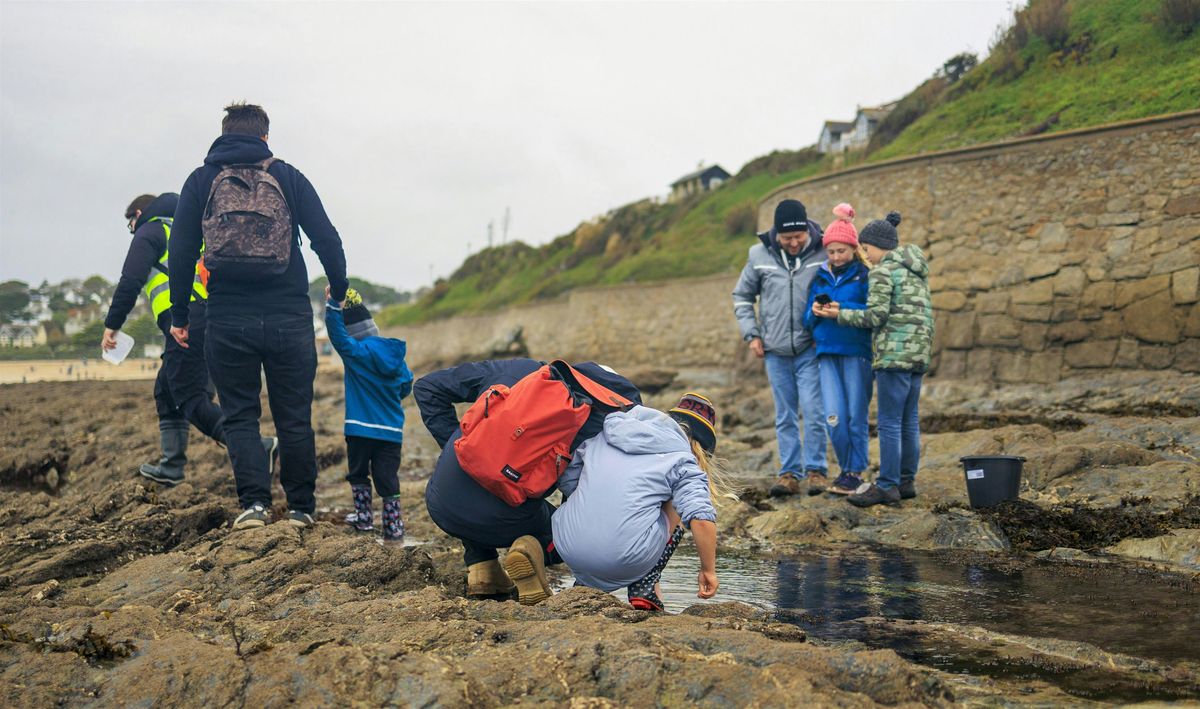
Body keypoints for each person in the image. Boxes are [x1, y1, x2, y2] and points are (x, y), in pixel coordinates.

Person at [168, 102, 349, 530]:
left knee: (240, 415)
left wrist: (181, 315)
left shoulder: (201, 179)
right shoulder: (287, 176)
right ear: (264, 137)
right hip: (289, 315)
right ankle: (302, 508)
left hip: (228, 317)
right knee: (294, 416)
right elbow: (327, 238)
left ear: (224, 134)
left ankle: (254, 505)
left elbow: (180, 252)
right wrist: (337, 292)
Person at [413, 358, 640, 604]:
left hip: (441, 504)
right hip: (504, 522)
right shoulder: (606, 423)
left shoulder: (521, 370)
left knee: (485, 482)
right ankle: (531, 548)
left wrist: (461, 451)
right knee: (571, 531)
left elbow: (427, 387)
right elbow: (584, 500)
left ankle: (483, 568)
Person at [101, 192, 276, 486]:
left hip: (185, 321)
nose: (131, 229)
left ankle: (257, 447)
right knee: (167, 390)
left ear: (140, 214)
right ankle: (172, 466)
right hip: (213, 318)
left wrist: (112, 325)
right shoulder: (190, 231)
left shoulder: (151, 231)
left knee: (190, 397)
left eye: (130, 222)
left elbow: (130, 280)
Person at [552, 393, 728, 611]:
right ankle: (644, 586)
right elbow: (700, 518)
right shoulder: (682, 460)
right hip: (624, 558)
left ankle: (585, 585)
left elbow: (568, 480)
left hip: (568, 546)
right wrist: (708, 570)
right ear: (698, 448)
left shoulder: (607, 434)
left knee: (593, 488)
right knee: (678, 500)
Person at [814, 212, 933, 507]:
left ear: (880, 246)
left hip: (893, 355)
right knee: (910, 420)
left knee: (890, 423)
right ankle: (906, 481)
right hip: (918, 355)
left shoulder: (883, 271)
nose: (865, 255)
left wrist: (838, 314)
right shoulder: (916, 271)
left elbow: (875, 316)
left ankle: (887, 485)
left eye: (866, 249)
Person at [732, 198, 829, 497]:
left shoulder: (822, 251)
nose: (794, 243)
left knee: (814, 411)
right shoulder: (758, 256)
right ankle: (789, 474)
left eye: (798, 237)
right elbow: (742, 297)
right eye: (787, 238)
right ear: (777, 234)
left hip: (809, 348)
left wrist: (823, 331)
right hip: (773, 351)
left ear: (806, 231)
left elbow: (833, 290)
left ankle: (816, 471)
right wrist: (752, 334)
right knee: (785, 414)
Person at [325, 286, 413, 543]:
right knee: (387, 478)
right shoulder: (395, 357)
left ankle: (364, 519)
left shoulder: (356, 353)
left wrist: (332, 305)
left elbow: (337, 335)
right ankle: (394, 527)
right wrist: (389, 398)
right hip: (391, 432)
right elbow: (407, 384)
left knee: (358, 473)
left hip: (359, 429)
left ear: (354, 333)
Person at [802, 204, 873, 496]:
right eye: (830, 251)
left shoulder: (864, 276)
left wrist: (841, 309)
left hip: (857, 352)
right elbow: (806, 319)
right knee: (833, 415)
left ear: (853, 249)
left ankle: (855, 471)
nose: (835, 256)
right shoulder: (819, 277)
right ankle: (846, 469)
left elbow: (872, 312)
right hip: (827, 353)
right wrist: (816, 311)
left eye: (841, 251)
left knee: (856, 414)